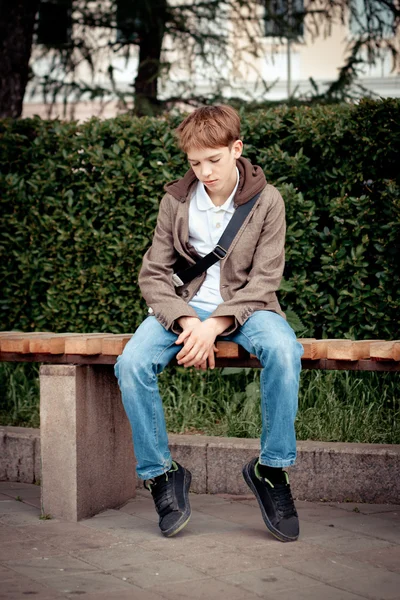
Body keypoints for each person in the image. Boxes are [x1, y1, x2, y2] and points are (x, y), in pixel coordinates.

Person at [114, 105, 304, 542]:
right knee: (131, 365)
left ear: (236, 149)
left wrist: (212, 326)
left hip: (249, 310)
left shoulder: (267, 200)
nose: (204, 172)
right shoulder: (175, 202)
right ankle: (162, 475)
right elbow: (154, 275)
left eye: (214, 160)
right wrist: (186, 319)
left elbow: (265, 280)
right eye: (195, 163)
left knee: (283, 350)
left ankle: (271, 469)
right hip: (184, 311)